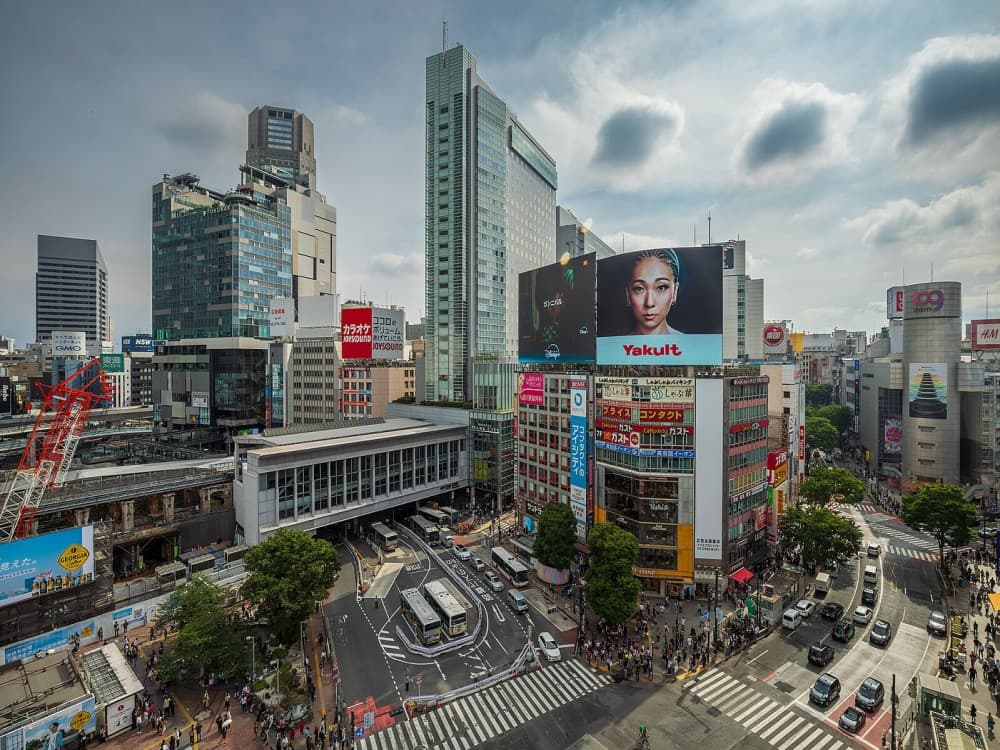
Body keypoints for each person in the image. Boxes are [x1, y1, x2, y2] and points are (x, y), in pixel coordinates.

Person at [624, 249, 685, 336]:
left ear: (675, 292)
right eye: (639, 289)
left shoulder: (689, 342)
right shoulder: (614, 343)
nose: (649, 303)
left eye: (661, 288)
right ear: (628, 294)